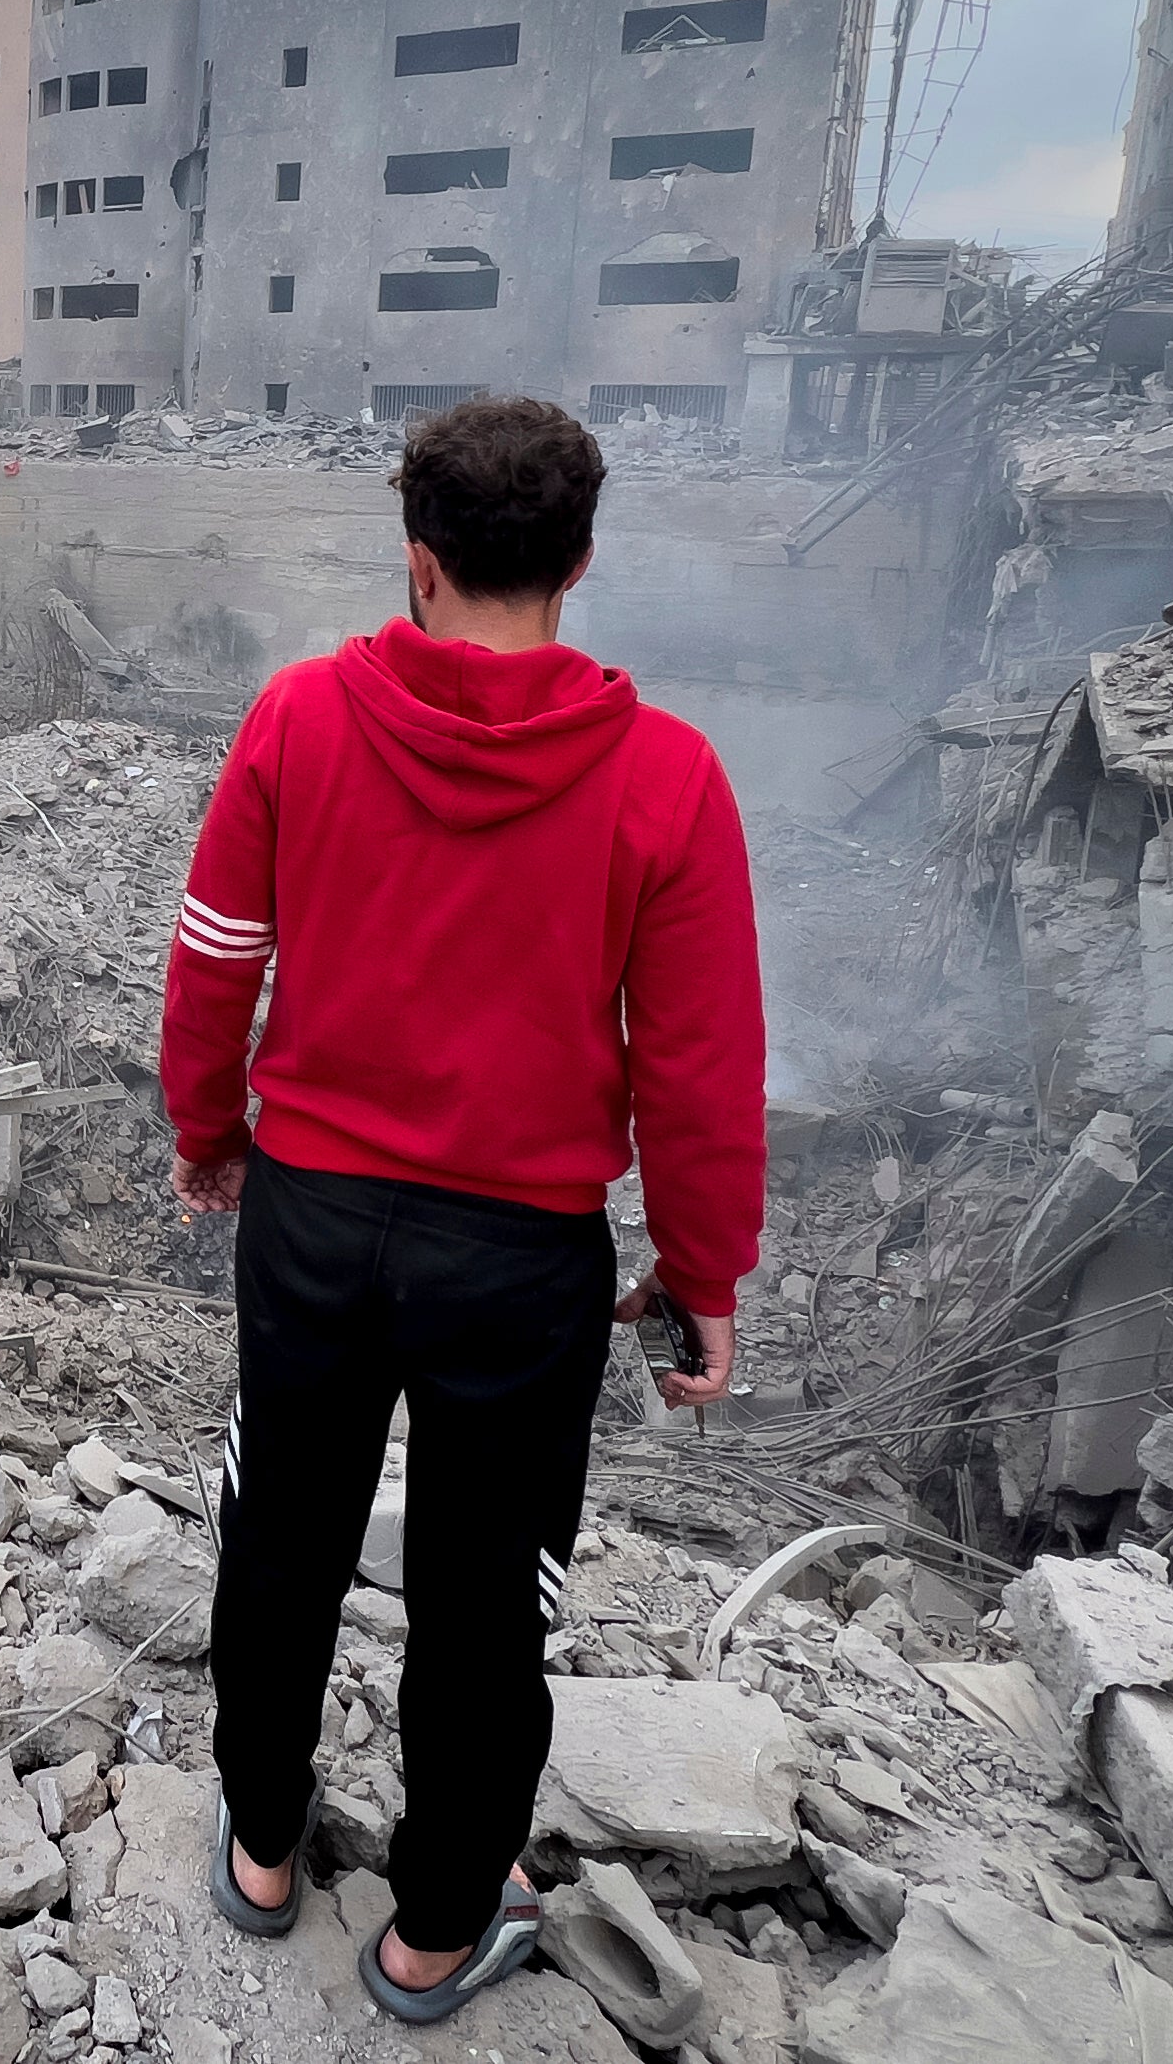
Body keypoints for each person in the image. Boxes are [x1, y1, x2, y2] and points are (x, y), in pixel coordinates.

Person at [159, 395, 765, 2023]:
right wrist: (701, 1273)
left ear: (416, 559)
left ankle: (266, 1846)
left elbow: (218, 955)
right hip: (519, 1261)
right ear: (579, 560)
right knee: (487, 1592)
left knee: (280, 1531)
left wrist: (210, 1131)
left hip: (316, 1215)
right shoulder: (668, 778)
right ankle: (435, 1930)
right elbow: (700, 1066)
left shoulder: (297, 718)